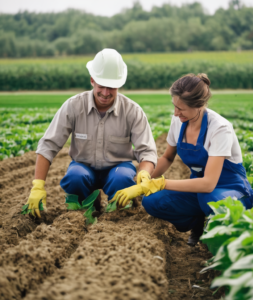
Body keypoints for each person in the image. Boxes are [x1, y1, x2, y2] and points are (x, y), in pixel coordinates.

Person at [111, 73, 253, 246]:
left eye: (181, 109)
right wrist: (141, 182)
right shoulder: (178, 121)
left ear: (200, 105)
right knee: (152, 202)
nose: (176, 112)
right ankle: (196, 223)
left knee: (214, 201)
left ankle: (222, 231)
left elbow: (209, 183)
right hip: (199, 190)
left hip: (229, 190)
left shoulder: (219, 129)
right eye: (174, 106)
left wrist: (160, 183)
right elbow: (167, 157)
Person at [25, 48, 157, 218]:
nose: (106, 93)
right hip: (83, 167)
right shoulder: (73, 106)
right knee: (75, 176)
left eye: (112, 87)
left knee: (123, 178)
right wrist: (38, 185)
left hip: (118, 169)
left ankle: (120, 207)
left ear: (119, 85)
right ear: (92, 80)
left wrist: (144, 174)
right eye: (101, 86)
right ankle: (86, 201)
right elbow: (48, 145)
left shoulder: (132, 111)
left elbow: (147, 151)